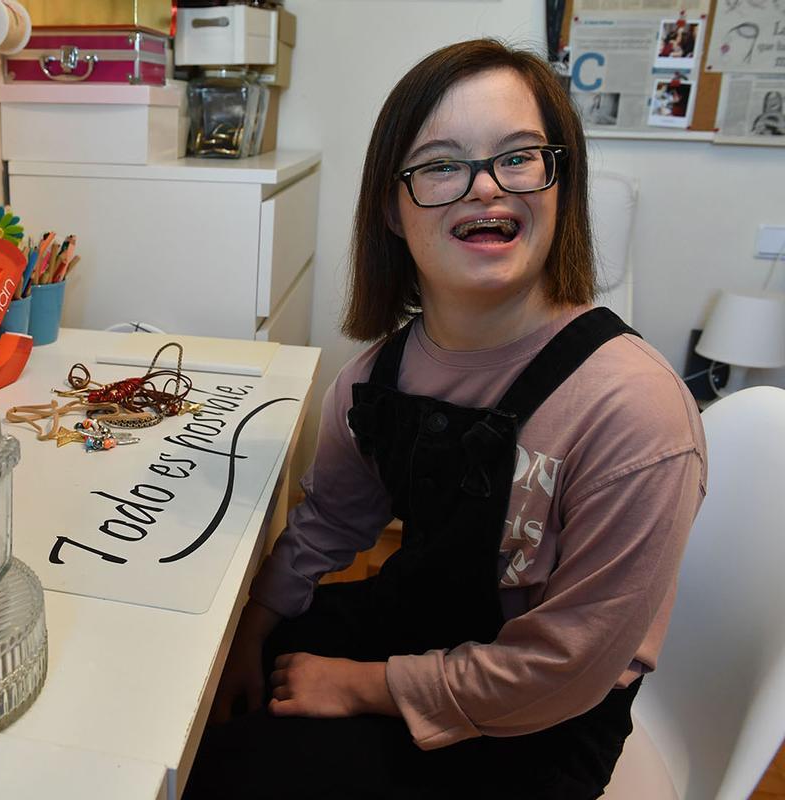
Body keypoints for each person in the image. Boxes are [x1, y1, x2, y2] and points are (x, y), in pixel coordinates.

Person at [183, 39, 706, 800]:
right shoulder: (375, 378)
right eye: (440, 165)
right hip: (416, 629)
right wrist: (252, 630)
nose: (485, 188)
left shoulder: (634, 411)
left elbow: (565, 668)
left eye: (519, 157)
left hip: (537, 721)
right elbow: (331, 519)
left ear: (561, 183)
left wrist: (364, 687)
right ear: (392, 210)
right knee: (207, 716)